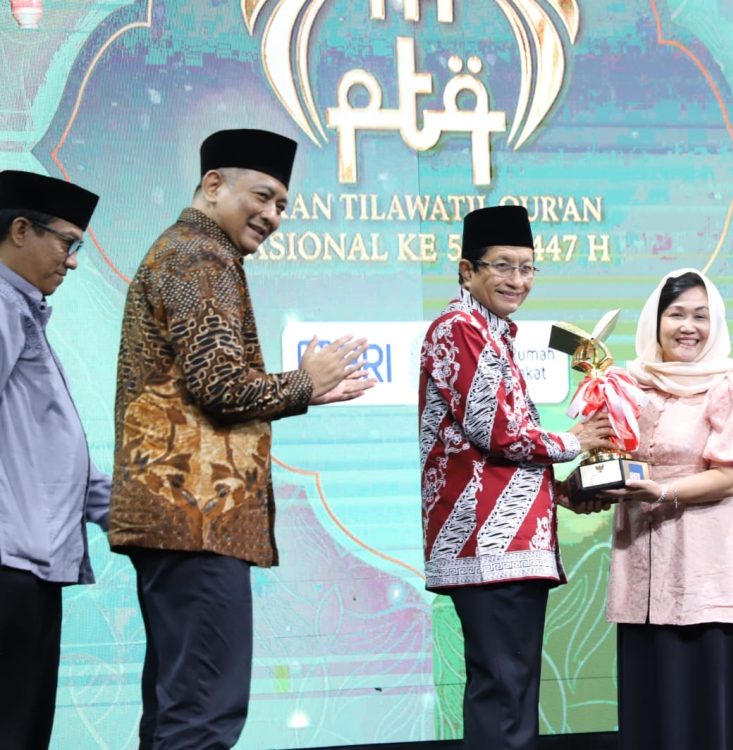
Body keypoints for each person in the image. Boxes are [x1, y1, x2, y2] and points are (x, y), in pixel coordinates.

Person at [108, 128, 372, 750]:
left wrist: (302, 392)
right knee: (202, 714)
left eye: (282, 204)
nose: (273, 215)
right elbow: (220, 385)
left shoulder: (184, 252)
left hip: (181, 518)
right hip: (197, 517)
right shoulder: (201, 258)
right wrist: (304, 382)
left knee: (179, 709)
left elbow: (203, 385)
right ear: (213, 185)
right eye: (262, 195)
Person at [418, 204, 615, 750]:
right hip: (489, 544)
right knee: (505, 699)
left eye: (527, 268)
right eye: (503, 266)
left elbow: (495, 452)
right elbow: (497, 432)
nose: (518, 280)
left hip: (506, 543)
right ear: (467, 271)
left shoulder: (490, 331)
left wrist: (563, 492)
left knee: (509, 695)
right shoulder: (459, 328)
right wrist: (578, 441)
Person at [595, 268, 733, 750]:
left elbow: (731, 476)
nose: (688, 326)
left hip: (710, 574)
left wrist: (660, 491)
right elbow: (607, 456)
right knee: (652, 713)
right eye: (676, 314)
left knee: (710, 716)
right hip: (642, 573)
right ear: (655, 321)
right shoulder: (627, 384)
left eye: (701, 316)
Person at [0, 170, 105, 750]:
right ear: (21, 230)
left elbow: (51, 453)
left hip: (26, 567)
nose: (72, 261)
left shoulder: (23, 309)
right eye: (68, 242)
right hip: (9, 569)